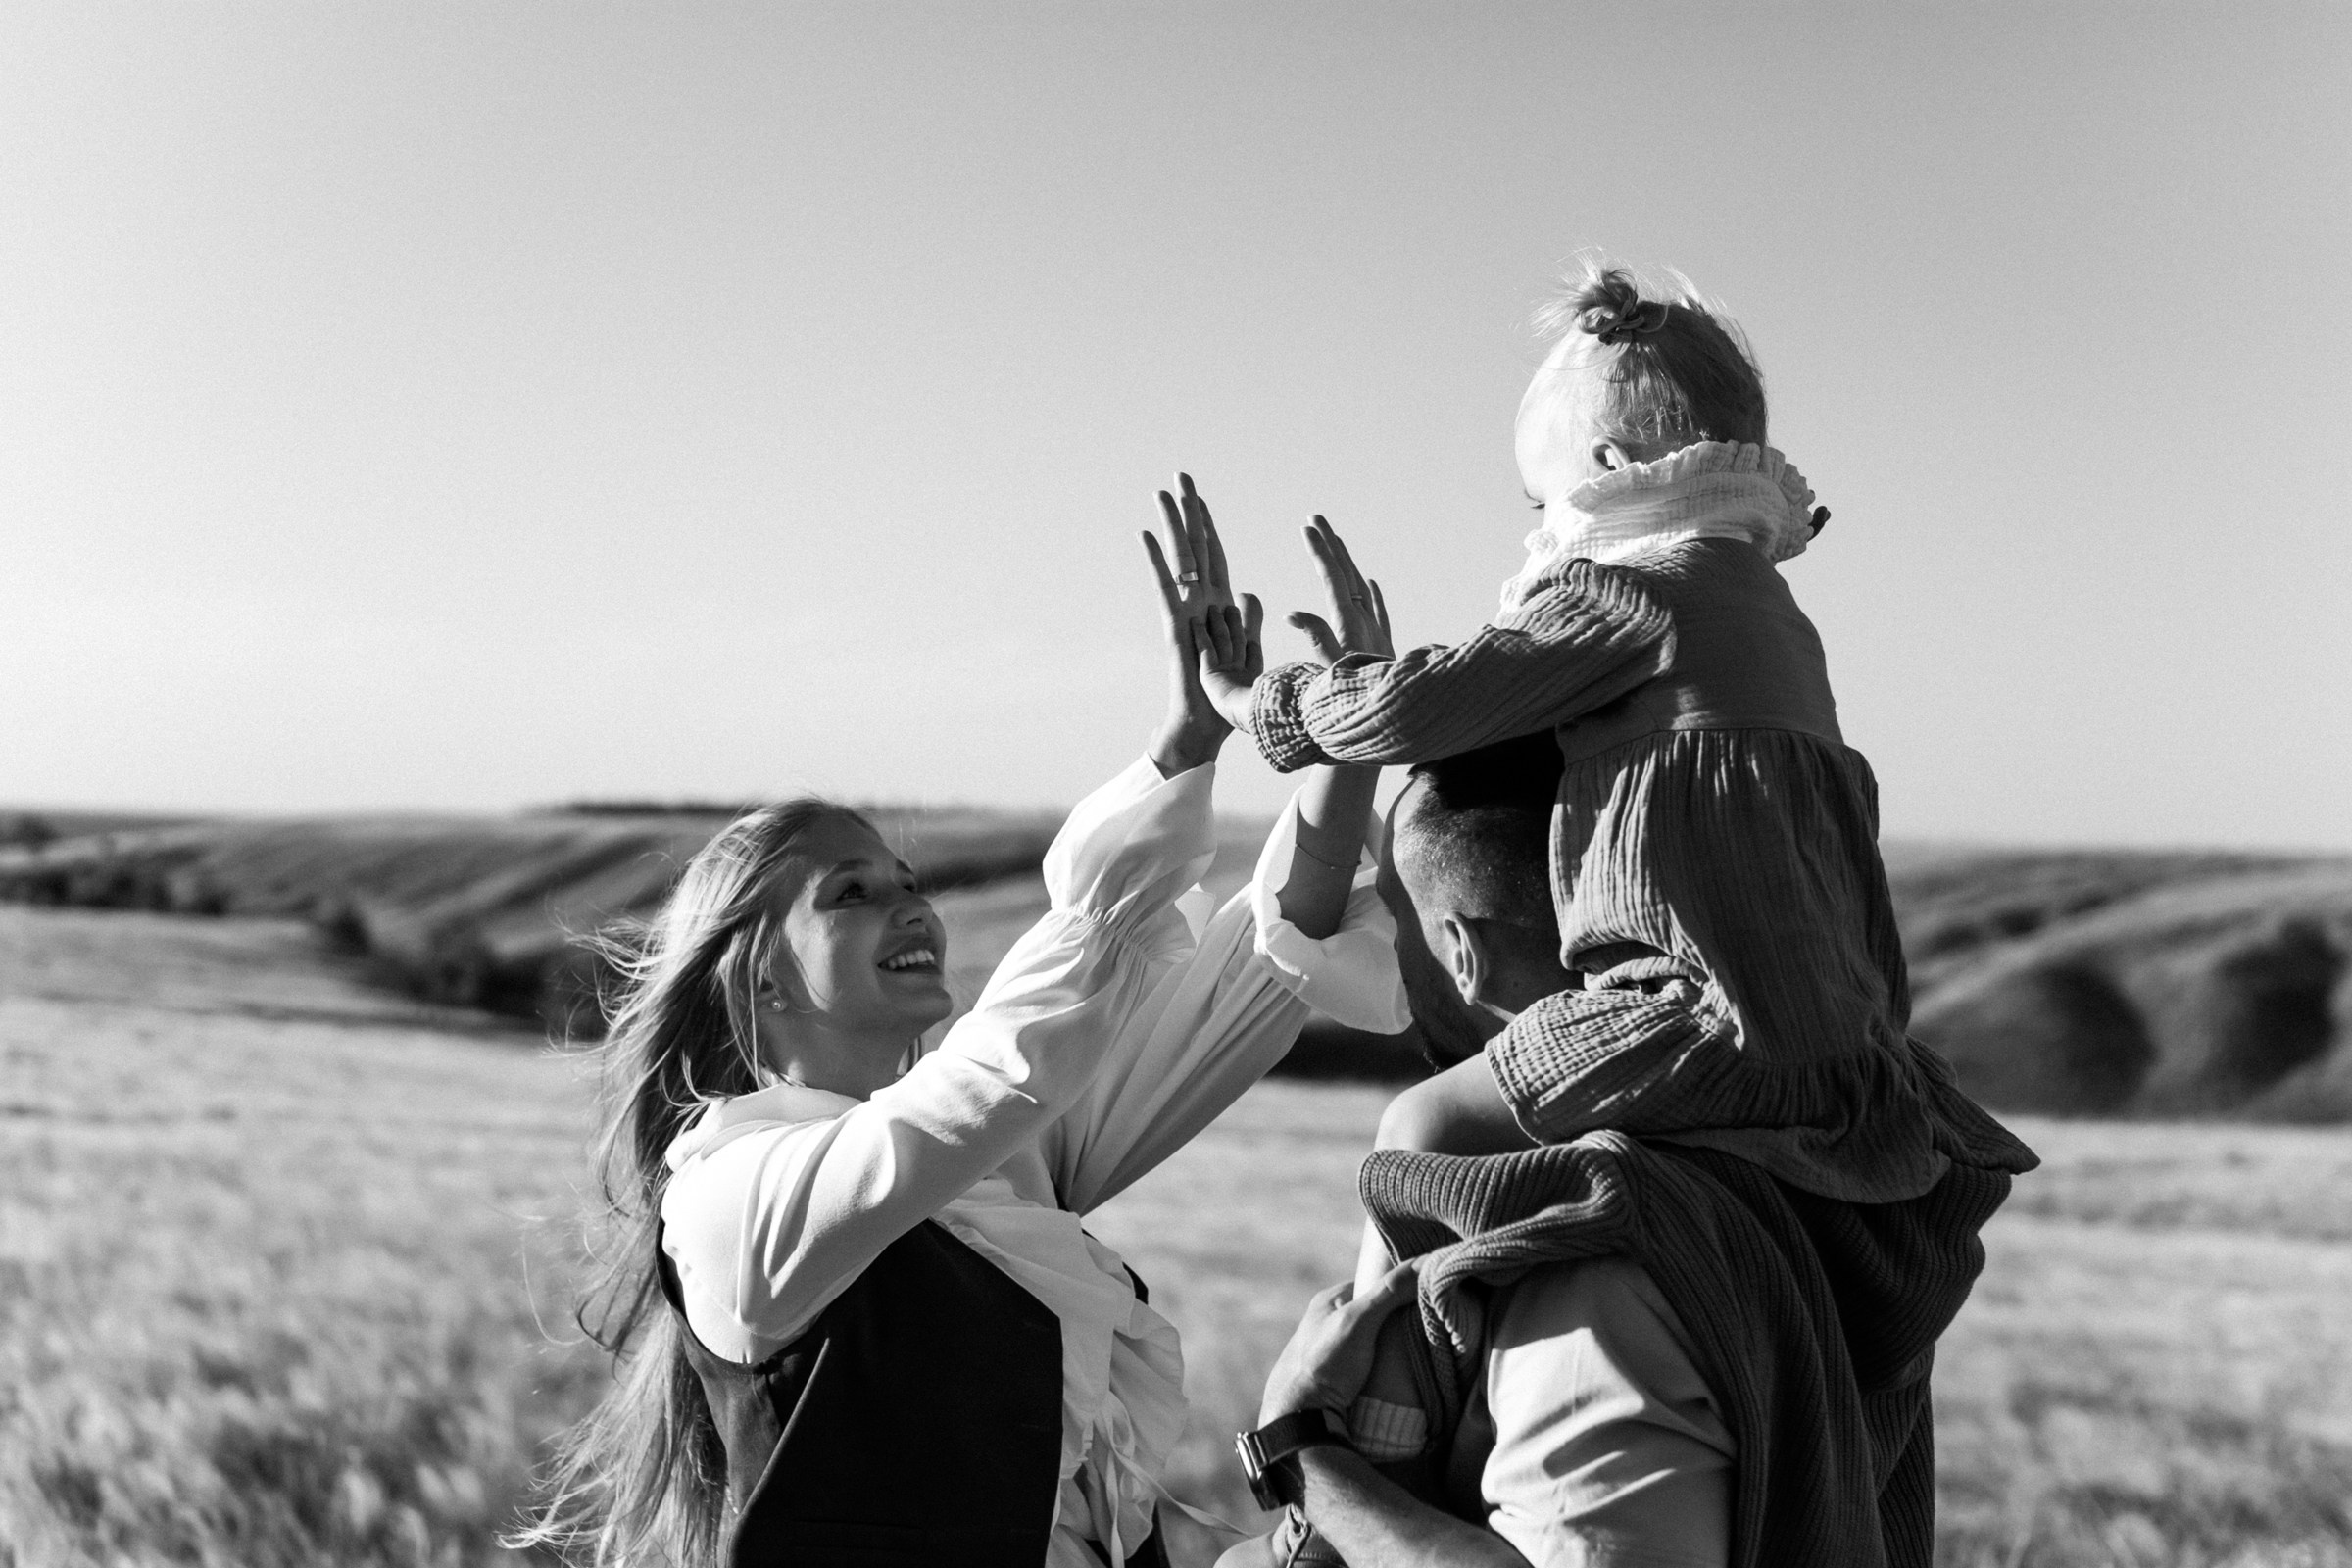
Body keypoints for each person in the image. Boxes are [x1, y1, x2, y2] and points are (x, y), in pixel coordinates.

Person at [1198, 260, 2035, 1483]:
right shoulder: (1771, 616)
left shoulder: (1620, 590)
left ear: (1599, 481)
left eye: (1538, 502)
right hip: (1845, 1047)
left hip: (1691, 1015)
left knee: (1420, 1123)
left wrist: (1263, 705)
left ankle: (1376, 1388)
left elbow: (1434, 700)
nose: (1535, 536)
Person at [513, 477, 1410, 1568]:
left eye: (906, 880)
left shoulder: (995, 1172)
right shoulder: (728, 1205)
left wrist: (1336, 756)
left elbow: (1248, 981)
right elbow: (987, 1083)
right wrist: (1181, 748)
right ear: (757, 984)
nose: (911, 906)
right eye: (852, 893)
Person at [1223, 740, 2027, 1568]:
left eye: (1396, 919)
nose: (1383, 950)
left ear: (1463, 952)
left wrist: (1306, 1457)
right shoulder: (1813, 1166)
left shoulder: (1593, 1274)